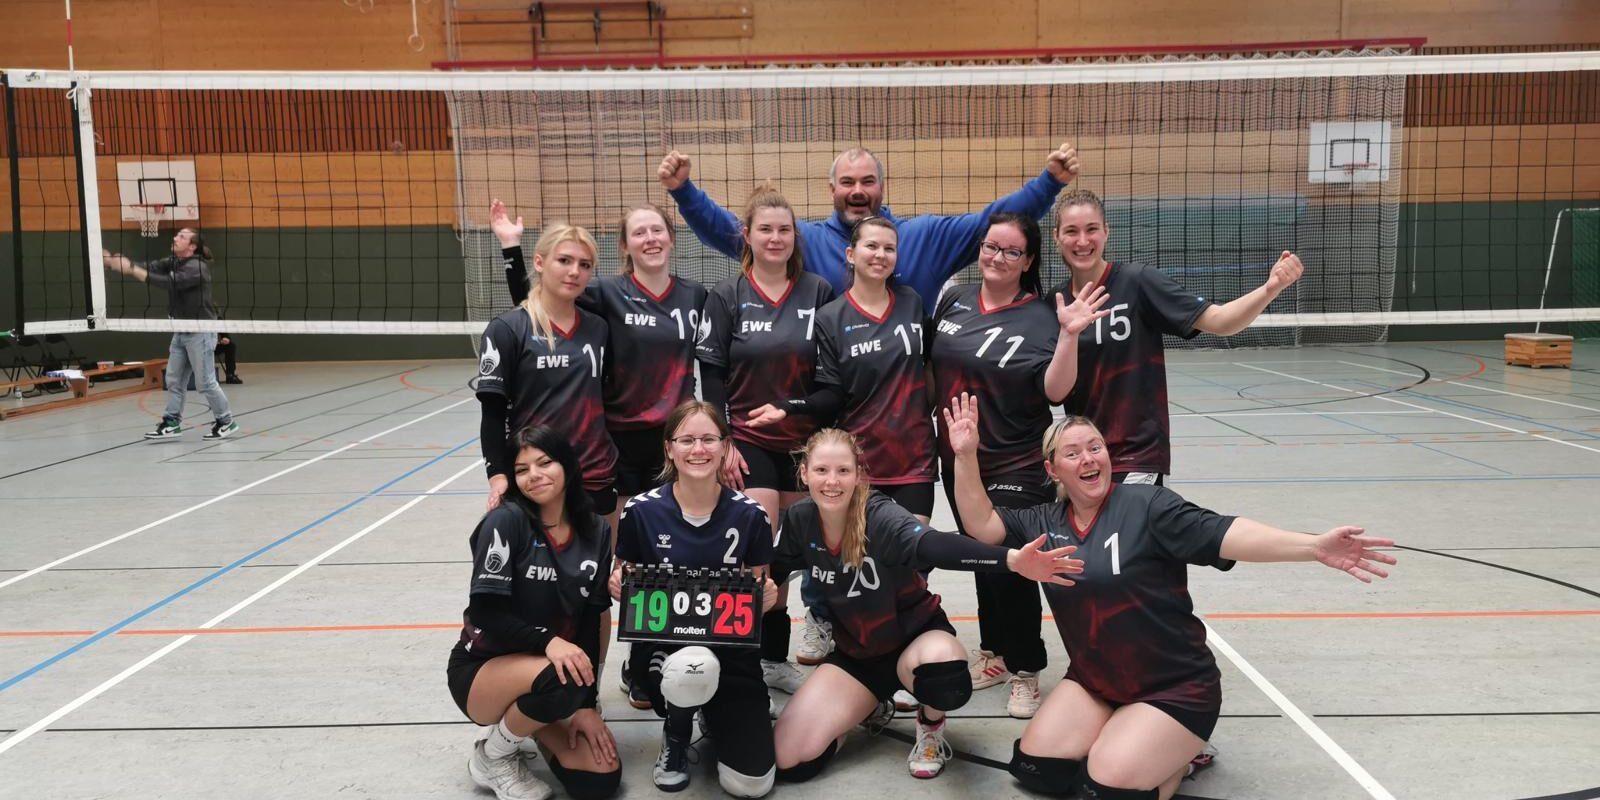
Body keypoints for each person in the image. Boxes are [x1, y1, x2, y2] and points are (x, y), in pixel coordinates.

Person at [946, 396, 1395, 800]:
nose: (1088, 458)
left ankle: (1182, 754)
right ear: (1052, 470)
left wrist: (1311, 546)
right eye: (1073, 452)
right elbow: (982, 525)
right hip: (1096, 682)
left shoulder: (1149, 506)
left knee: (1105, 789)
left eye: (1096, 447)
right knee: (1036, 769)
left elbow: (1224, 533)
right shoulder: (1044, 521)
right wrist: (965, 456)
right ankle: (1131, 736)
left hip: (1175, 688)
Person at [769, 429, 1082, 781]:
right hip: (857, 657)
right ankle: (867, 705)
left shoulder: (879, 515)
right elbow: (775, 568)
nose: (832, 481)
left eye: (843, 470)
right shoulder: (800, 519)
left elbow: (935, 546)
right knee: (789, 760)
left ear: (858, 474)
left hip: (915, 642)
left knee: (946, 679)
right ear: (804, 473)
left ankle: (930, 727)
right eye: (821, 470)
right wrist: (762, 587)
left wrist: (1010, 560)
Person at [496, 200, 710, 711]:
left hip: (675, 443)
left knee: (671, 556)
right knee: (623, 562)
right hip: (618, 444)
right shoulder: (605, 293)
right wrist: (510, 249)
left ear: (671, 237)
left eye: (657, 229)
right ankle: (609, 673)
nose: (650, 238)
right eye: (639, 232)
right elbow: (540, 298)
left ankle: (650, 659)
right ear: (625, 245)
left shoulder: (696, 296)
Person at [926, 212, 1108, 717]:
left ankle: (1026, 667)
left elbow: (1056, 390)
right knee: (982, 559)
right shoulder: (954, 301)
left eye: (1011, 251)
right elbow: (931, 372)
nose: (998, 257)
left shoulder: (1043, 314)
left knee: (1012, 562)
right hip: (960, 459)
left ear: (1028, 260)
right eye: (991, 246)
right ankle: (995, 652)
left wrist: (1068, 336)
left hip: (1017, 461)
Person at [1050, 188, 1305, 484]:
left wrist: (1270, 289)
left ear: (1106, 231)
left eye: (1092, 229)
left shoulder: (1138, 283)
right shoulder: (1054, 304)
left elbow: (1221, 321)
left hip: (1136, 455)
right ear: (1057, 237)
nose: (1082, 241)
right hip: (1083, 459)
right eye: (1072, 231)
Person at [658, 143, 1080, 313]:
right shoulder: (803, 241)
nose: (857, 191)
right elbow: (733, 232)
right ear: (832, 190)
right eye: (847, 182)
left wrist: (1049, 183)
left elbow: (996, 221)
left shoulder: (925, 237)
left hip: (903, 406)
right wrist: (685, 192)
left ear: (882, 186)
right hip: (827, 403)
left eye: (867, 181)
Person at [694, 186, 835, 691]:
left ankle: (776, 656)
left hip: (804, 442)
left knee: (791, 554)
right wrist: (724, 441)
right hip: (749, 438)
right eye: (765, 229)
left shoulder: (817, 291)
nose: (775, 238)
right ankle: (743, 658)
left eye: (784, 229)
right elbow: (711, 377)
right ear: (747, 236)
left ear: (795, 236)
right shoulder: (726, 295)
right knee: (755, 549)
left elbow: (830, 375)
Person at [607, 400, 782, 796]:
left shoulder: (751, 515)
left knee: (751, 784)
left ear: (725, 446)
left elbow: (757, 588)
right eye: (686, 440)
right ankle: (677, 731)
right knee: (693, 668)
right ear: (669, 448)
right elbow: (626, 575)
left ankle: (714, 713)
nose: (698, 449)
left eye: (708, 439)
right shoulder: (640, 511)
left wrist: (766, 597)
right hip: (664, 652)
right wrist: (619, 584)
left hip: (731, 653)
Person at [447, 425, 620, 800]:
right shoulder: (506, 521)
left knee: (599, 781)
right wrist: (550, 642)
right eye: (522, 469)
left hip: (550, 671)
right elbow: (485, 611)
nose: (534, 475)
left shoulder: (595, 529)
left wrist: (586, 707)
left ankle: (526, 722)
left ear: (567, 465)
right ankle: (493, 755)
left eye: (545, 463)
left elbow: (591, 618)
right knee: (566, 680)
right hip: (484, 669)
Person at [747, 217, 935, 524]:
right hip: (856, 462)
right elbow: (832, 394)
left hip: (913, 459)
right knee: (855, 550)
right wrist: (788, 407)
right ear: (851, 254)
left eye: (889, 248)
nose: (880, 255)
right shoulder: (830, 318)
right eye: (871, 246)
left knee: (910, 550)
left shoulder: (911, 302)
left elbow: (930, 364)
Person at [480, 219, 621, 536]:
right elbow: (492, 414)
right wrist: (498, 475)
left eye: (585, 265)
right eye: (564, 260)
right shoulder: (507, 329)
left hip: (594, 472)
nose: (574, 271)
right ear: (540, 263)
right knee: (541, 565)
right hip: (536, 476)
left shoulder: (598, 328)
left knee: (597, 563)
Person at [103, 228, 238, 441]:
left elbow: (168, 283)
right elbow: (150, 267)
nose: (175, 238)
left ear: (192, 246)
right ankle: (171, 422)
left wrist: (132, 270)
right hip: (181, 331)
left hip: (200, 332)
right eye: (177, 235)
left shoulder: (197, 267)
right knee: (174, 380)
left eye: (181, 237)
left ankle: (226, 421)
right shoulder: (174, 261)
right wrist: (117, 263)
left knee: (205, 383)